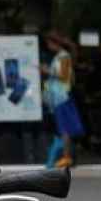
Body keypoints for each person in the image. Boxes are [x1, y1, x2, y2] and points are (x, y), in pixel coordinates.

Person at [42, 32, 84, 169]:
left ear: (55, 43)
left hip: (62, 97)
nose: (48, 46)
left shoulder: (63, 56)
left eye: (49, 43)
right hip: (59, 97)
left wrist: (47, 71)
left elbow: (63, 75)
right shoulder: (60, 57)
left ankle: (66, 157)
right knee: (64, 127)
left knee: (64, 127)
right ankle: (66, 156)